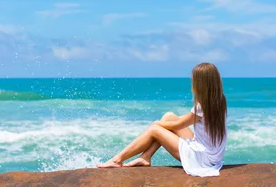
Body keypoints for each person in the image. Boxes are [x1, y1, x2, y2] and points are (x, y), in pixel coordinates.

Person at [97, 62, 228, 177]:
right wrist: (164, 123)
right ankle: (145, 157)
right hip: (211, 155)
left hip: (200, 159)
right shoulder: (219, 100)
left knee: (155, 129)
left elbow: (177, 125)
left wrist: (157, 124)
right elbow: (187, 120)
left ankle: (117, 159)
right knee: (169, 116)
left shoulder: (201, 106)